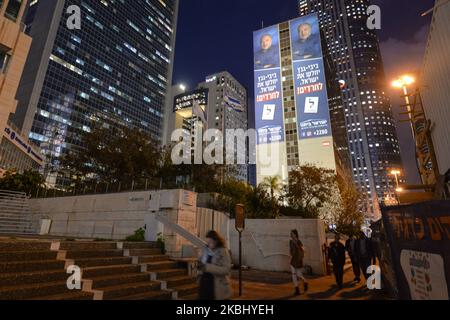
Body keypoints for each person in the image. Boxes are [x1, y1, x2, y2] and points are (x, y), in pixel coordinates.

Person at [198, 230, 232, 300]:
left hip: (216, 285)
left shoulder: (223, 251)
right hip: (204, 284)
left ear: (216, 241)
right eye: (207, 242)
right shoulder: (205, 250)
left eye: (210, 242)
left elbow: (226, 269)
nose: (208, 244)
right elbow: (201, 263)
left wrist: (208, 267)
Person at [289, 229, 309, 295]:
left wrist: (301, 257)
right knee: (293, 275)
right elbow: (291, 252)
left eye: (292, 233)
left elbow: (303, 250)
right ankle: (297, 289)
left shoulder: (299, 242)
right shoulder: (290, 242)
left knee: (299, 275)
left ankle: (305, 282)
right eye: (290, 233)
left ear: (295, 234)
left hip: (298, 260)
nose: (291, 235)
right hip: (293, 260)